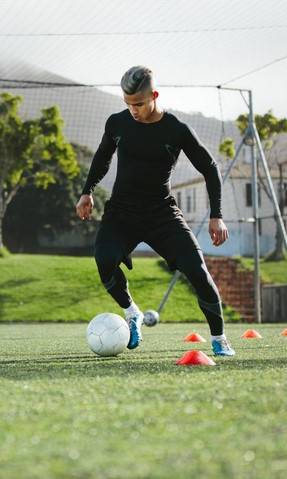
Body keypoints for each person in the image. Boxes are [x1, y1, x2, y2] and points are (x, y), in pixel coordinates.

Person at [75, 65, 235, 356]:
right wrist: (86, 191)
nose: (133, 110)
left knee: (198, 272)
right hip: (122, 212)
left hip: (162, 214)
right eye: (128, 103)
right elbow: (102, 157)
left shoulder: (176, 130)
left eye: (138, 103)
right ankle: (131, 312)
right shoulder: (117, 123)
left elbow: (210, 168)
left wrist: (217, 215)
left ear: (154, 96)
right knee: (104, 258)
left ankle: (219, 339)